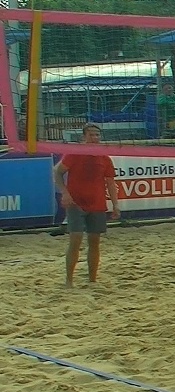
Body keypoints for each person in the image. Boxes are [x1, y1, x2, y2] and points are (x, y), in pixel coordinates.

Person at [52, 123, 120, 288]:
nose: (95, 138)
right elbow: (57, 172)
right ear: (84, 137)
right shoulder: (75, 153)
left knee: (94, 241)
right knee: (75, 239)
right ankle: (69, 281)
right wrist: (65, 193)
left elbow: (110, 183)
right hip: (75, 203)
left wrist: (115, 205)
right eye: (91, 135)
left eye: (97, 135)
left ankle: (92, 280)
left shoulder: (104, 158)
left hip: (97, 204)